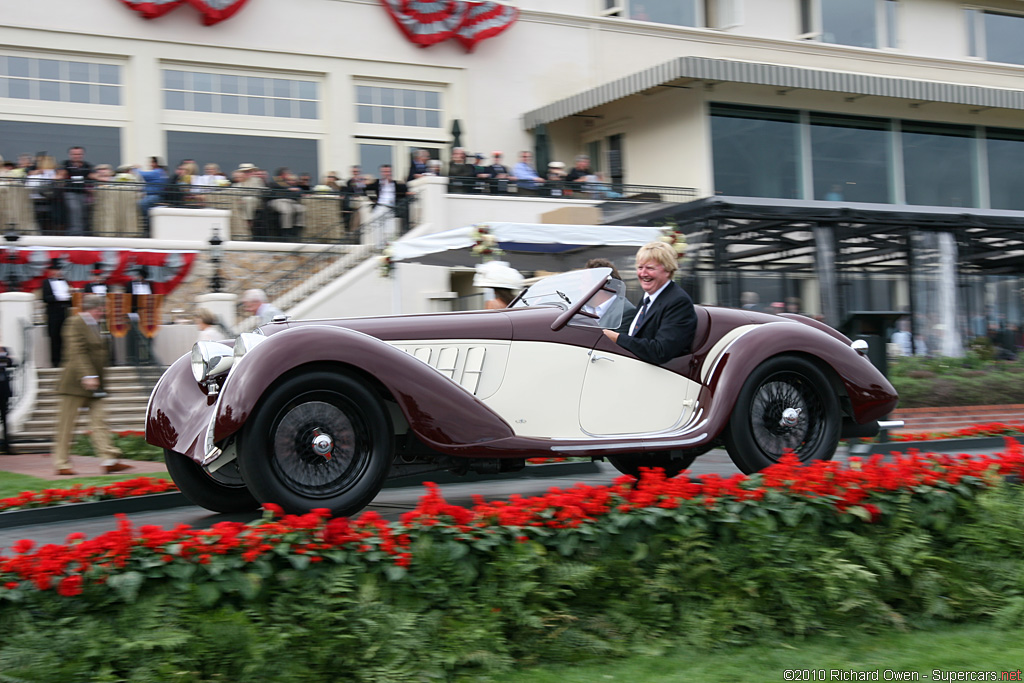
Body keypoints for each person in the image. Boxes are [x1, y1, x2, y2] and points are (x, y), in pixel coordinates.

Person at [52, 294, 132, 476]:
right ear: (94, 308)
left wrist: (97, 379)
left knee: (100, 421)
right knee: (66, 425)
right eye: (101, 309)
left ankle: (109, 458)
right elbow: (76, 351)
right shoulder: (75, 323)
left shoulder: (97, 325)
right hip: (75, 384)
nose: (103, 312)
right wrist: (87, 374)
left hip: (96, 384)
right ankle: (61, 463)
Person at [602, 241, 697, 365]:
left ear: (667, 270)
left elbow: (660, 351)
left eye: (650, 268)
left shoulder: (678, 302)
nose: (643, 274)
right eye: (640, 268)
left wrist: (617, 338)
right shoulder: (648, 298)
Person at [584, 257, 636, 335]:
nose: (580, 288)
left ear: (599, 285)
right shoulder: (578, 309)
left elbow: (618, 345)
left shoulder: (625, 312)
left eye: (584, 283)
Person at [41, 259, 72, 367]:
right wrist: (59, 297)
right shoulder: (46, 282)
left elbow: (70, 299)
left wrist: (70, 298)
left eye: (58, 269)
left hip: (65, 312)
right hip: (53, 313)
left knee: (66, 337)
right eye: (55, 270)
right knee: (54, 338)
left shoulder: (65, 282)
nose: (57, 272)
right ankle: (56, 362)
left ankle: (66, 360)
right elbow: (45, 298)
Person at [62, 145, 93, 235]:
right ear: (70, 155)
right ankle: (74, 234)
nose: (77, 156)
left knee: (83, 213)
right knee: (75, 210)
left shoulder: (86, 165)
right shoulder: (66, 164)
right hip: (70, 192)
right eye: (74, 154)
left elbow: (93, 175)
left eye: (79, 154)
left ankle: (82, 233)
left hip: (83, 193)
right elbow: (60, 175)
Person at [0, 345, 16, 454]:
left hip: (4, 388)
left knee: (5, 418)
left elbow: (11, 362)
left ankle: (6, 445)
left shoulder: (5, 349)